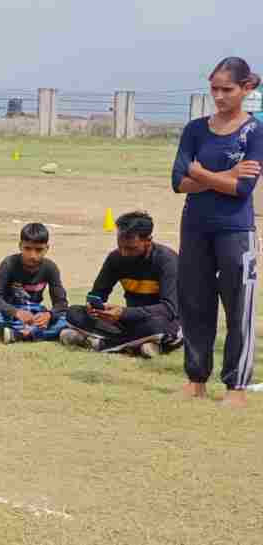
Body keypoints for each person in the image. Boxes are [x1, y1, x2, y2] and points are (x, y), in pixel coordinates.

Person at [171, 57, 263, 408]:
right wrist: (226, 174)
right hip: (194, 228)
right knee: (195, 304)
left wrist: (203, 173)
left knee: (238, 307)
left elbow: (243, 189)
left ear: (246, 88)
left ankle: (236, 387)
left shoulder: (254, 132)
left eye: (228, 89)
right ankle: (196, 380)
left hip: (236, 231)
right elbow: (178, 182)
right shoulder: (195, 129)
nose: (220, 96)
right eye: (214, 89)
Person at [59, 211, 182, 358]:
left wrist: (124, 312)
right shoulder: (116, 258)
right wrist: (95, 308)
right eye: (120, 246)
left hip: (163, 321)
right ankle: (137, 345)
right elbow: (97, 294)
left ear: (148, 240)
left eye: (131, 248)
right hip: (129, 323)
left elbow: (169, 309)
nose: (124, 253)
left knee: (157, 326)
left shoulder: (167, 261)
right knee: (74, 313)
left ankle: (102, 344)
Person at [0, 223, 69, 343]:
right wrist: (16, 312)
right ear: (20, 246)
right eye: (27, 248)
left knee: (69, 317)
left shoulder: (50, 268)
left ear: (47, 248)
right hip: (11, 312)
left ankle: (17, 334)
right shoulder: (9, 264)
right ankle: (37, 333)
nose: (32, 255)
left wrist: (49, 315)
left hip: (35, 314)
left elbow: (61, 303)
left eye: (39, 250)